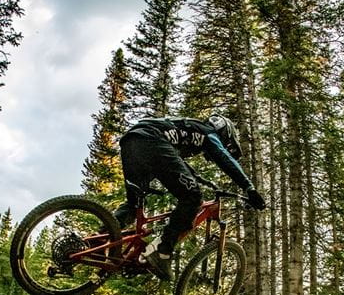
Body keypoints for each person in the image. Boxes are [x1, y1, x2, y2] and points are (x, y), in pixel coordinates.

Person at [113, 115, 267, 281]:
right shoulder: (208, 133)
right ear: (223, 132)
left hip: (131, 142)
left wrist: (200, 180)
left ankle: (99, 239)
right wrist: (249, 188)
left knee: (134, 203)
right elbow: (225, 159)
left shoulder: (189, 130)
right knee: (192, 198)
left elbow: (177, 161)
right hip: (152, 141)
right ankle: (162, 252)